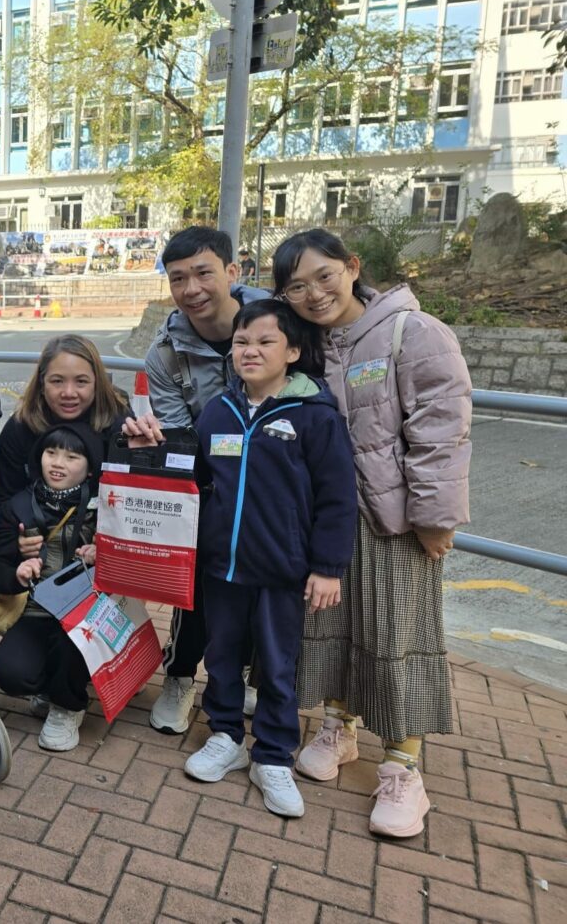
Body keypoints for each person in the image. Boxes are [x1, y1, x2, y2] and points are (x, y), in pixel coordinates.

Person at [273, 229, 471, 838]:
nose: (314, 293)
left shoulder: (413, 332)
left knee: (395, 637)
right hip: (327, 518)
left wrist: (434, 517)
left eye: (324, 276)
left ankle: (403, 768)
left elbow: (442, 427)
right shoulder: (308, 345)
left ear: (352, 267)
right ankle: (341, 728)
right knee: (330, 625)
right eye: (297, 286)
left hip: (396, 521)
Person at [180, 299, 357, 819]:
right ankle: (226, 736)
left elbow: (338, 498)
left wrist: (327, 567)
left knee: (279, 665)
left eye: (264, 341)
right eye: (241, 342)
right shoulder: (219, 410)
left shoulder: (316, 416)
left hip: (284, 570)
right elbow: (197, 479)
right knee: (222, 654)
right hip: (223, 567)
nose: (250, 351)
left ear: (293, 351)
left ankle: (273, 755)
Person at [130, 226, 268, 734]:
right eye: (178, 278)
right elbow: (178, 437)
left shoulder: (276, 326)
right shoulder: (165, 353)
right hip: (207, 480)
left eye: (203, 273)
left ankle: (247, 674)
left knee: (263, 585)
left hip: (274, 480)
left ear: (233, 272)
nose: (191, 289)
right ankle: (181, 674)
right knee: (194, 585)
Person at [0, 423, 101, 752]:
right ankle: (53, 685)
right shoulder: (19, 506)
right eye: (51, 453)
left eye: (72, 457)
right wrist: (16, 574)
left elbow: (134, 566)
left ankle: (68, 706)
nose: (58, 463)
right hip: (34, 610)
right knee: (11, 673)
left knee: (72, 642)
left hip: (87, 614)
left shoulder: (105, 510)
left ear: (90, 469)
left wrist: (104, 556)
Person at [0, 334, 135, 507]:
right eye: (57, 381)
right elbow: (3, 498)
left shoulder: (120, 426)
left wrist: (147, 453)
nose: (68, 393)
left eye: (81, 381)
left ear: (97, 384)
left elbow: (135, 500)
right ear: (42, 384)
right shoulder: (20, 426)